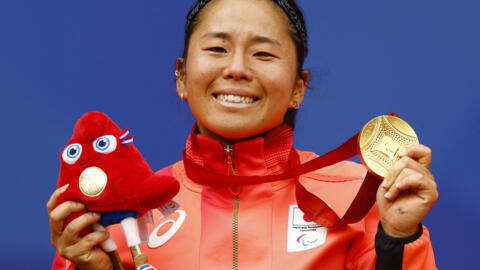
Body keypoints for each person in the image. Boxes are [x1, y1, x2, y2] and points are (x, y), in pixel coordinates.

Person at [47, 0, 439, 269]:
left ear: (298, 88)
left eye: (263, 54)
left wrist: (399, 239)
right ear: (181, 76)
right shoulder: (122, 213)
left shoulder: (360, 196)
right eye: (217, 48)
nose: (237, 68)